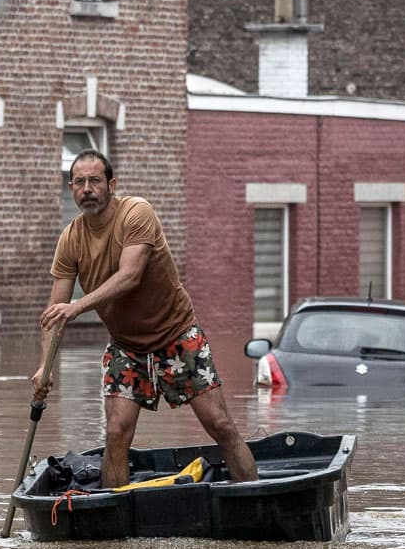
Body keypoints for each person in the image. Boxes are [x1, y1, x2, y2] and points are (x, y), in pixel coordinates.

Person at [29, 150, 257, 488]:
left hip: (177, 335)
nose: (87, 189)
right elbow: (53, 315)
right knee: (116, 432)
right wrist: (43, 367)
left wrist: (78, 307)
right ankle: (113, 519)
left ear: (111, 184)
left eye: (94, 180)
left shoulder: (137, 213)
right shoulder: (71, 239)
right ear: (71, 189)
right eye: (79, 183)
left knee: (219, 424)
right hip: (127, 348)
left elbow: (130, 275)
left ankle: (253, 496)